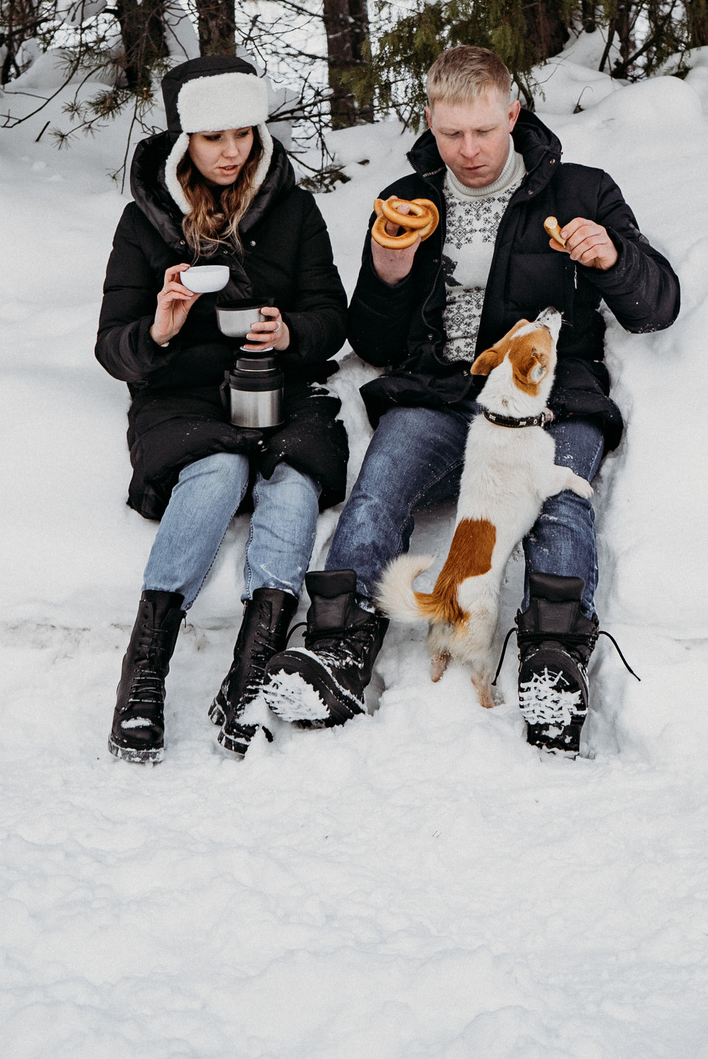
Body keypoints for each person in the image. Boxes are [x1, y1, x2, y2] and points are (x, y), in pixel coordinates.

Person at [261, 45, 680, 755]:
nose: (469, 149)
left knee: (563, 502)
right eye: (452, 133)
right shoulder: (409, 198)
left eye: (484, 131)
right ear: (431, 121)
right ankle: (337, 649)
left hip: (546, 402)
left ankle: (555, 662)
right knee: (379, 485)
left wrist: (612, 257)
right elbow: (373, 338)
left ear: (512, 114)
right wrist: (390, 272)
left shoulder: (579, 192)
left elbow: (656, 307)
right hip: (440, 391)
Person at [94, 56, 350, 764]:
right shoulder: (144, 222)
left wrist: (293, 332)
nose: (231, 151)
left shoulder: (293, 209)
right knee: (217, 467)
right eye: (213, 138)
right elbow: (112, 347)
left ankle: (254, 668)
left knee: (295, 476)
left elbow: (332, 313)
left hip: (281, 382)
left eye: (243, 133)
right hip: (179, 393)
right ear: (184, 143)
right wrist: (161, 328)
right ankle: (143, 671)